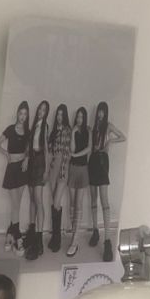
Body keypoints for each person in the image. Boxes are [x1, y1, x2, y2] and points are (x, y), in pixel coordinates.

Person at [88, 101, 126, 262]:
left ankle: (107, 241)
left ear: (106, 112)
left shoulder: (108, 126)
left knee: (105, 201)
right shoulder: (94, 126)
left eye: (103, 111)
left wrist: (110, 142)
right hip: (93, 160)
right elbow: (91, 147)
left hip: (103, 161)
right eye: (99, 111)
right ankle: (95, 230)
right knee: (93, 199)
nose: (100, 114)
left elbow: (123, 137)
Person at [0, 102, 30, 255]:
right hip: (11, 169)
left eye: (25, 114)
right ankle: (18, 237)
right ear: (17, 113)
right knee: (15, 205)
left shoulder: (28, 131)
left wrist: (26, 159)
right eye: (21, 113)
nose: (23, 117)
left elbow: (29, 150)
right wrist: (6, 154)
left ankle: (9, 235)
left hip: (22, 170)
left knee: (16, 206)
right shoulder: (10, 129)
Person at [24, 100, 50, 261]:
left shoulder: (45, 126)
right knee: (32, 200)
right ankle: (32, 233)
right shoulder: (34, 126)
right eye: (40, 109)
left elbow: (46, 149)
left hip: (40, 162)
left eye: (44, 110)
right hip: (32, 161)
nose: (41, 111)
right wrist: (27, 158)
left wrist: (46, 169)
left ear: (46, 113)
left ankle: (39, 239)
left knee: (39, 200)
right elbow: (28, 146)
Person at [65, 106, 91, 257]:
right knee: (72, 204)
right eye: (78, 117)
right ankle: (74, 234)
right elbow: (72, 148)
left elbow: (89, 148)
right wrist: (74, 132)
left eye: (81, 117)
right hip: (73, 168)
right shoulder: (75, 130)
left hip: (83, 169)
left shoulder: (88, 129)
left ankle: (74, 241)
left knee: (79, 205)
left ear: (85, 118)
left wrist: (75, 155)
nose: (79, 119)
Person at [46, 103, 72, 252]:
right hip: (53, 167)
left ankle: (57, 238)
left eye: (62, 114)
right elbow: (49, 151)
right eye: (58, 115)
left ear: (65, 116)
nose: (60, 117)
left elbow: (67, 152)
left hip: (62, 167)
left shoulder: (67, 131)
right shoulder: (54, 131)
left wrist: (63, 170)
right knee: (54, 203)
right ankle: (55, 236)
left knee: (56, 202)